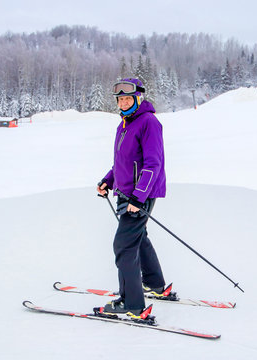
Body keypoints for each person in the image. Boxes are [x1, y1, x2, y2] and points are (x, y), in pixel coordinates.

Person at [96, 78, 168, 318]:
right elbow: (123, 162)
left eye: (128, 98)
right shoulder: (125, 124)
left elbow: (152, 164)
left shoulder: (148, 122)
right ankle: (155, 284)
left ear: (139, 98)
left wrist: (139, 197)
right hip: (126, 192)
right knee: (138, 237)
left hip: (139, 195)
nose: (124, 102)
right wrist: (109, 180)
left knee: (123, 246)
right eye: (120, 99)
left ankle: (132, 303)